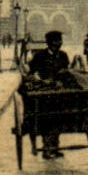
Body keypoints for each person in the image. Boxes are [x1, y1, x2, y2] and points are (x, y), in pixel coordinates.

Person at [24, 30, 74, 158]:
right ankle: (47, 148)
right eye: (57, 41)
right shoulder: (40, 56)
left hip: (59, 92)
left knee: (59, 118)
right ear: (51, 43)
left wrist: (62, 81)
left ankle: (55, 147)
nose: (60, 43)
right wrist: (43, 81)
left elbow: (67, 71)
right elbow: (33, 73)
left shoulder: (63, 56)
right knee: (47, 118)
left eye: (60, 41)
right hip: (44, 93)